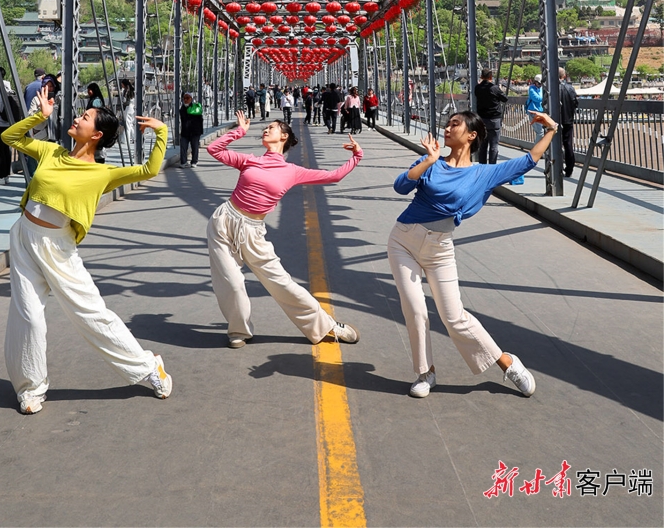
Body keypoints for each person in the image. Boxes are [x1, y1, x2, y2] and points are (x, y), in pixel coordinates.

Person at [2, 84, 171, 415]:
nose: (78, 118)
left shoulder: (102, 173)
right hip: (23, 236)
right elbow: (11, 138)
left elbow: (148, 170)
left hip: (58, 247)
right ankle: (31, 387)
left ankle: (149, 367)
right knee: (28, 317)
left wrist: (161, 132)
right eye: (81, 114)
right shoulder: (51, 152)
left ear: (96, 135)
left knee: (92, 314)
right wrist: (39, 116)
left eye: (86, 117)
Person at [387, 109, 559, 400]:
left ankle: (506, 362)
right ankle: (425, 372)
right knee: (415, 309)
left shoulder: (483, 173)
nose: (447, 128)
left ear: (471, 135)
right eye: (447, 124)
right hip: (403, 241)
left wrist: (552, 129)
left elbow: (529, 160)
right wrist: (428, 159)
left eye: (455, 124)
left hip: (440, 248)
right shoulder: (432, 163)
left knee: (454, 317)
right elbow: (401, 186)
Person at [206, 110, 363, 347]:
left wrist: (357, 155)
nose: (266, 129)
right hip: (224, 221)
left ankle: (328, 326)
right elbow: (214, 149)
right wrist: (239, 132)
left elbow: (334, 176)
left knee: (282, 283)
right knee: (231, 282)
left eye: (272, 127)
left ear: (284, 136)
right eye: (266, 127)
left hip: (253, 230)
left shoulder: (293, 171)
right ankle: (239, 330)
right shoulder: (250, 160)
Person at [474, 69, 508, 165]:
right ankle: (492, 166)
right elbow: (505, 99)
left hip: (481, 119)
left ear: (481, 76)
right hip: (494, 119)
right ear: (490, 77)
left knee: (482, 146)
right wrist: (499, 89)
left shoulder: (477, 88)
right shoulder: (494, 88)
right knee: (494, 146)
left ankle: (482, 166)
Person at [558, 68, 579, 177]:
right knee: (568, 144)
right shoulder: (570, 88)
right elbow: (575, 103)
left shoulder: (551, 89)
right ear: (564, 76)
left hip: (555, 120)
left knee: (555, 144)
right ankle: (569, 168)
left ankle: (557, 167)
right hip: (568, 119)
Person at [179, 92, 204, 166]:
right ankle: (183, 162)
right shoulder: (182, 108)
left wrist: (200, 131)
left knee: (195, 147)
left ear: (191, 99)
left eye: (188, 98)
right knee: (183, 146)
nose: (186, 100)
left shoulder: (196, 109)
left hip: (195, 132)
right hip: (185, 131)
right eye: (184, 98)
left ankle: (194, 161)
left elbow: (200, 120)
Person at [525, 75, 544, 143]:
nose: (540, 85)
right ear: (535, 82)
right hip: (533, 112)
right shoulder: (531, 89)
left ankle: (540, 148)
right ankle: (535, 148)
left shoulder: (541, 88)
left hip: (541, 112)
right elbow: (538, 98)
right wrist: (546, 95)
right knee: (540, 133)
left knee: (544, 132)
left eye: (541, 83)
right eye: (539, 83)